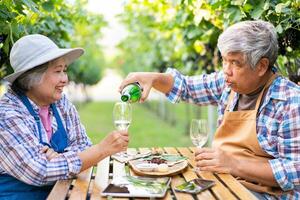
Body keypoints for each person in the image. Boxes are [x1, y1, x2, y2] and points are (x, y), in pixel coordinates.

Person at [119, 20, 300, 199]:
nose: (226, 71)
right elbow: (186, 87)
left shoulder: (289, 101)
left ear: (261, 66)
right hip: (223, 180)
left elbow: (295, 171)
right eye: (224, 60)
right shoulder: (227, 84)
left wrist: (233, 164)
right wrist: (154, 78)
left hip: (262, 194)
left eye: (236, 63)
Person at [0, 34, 129, 200]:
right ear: (33, 76)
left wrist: (58, 159)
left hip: (61, 192)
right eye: (58, 71)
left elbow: (84, 145)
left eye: (65, 70)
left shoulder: (60, 103)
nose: (65, 79)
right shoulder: (7, 114)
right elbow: (39, 172)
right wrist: (101, 149)